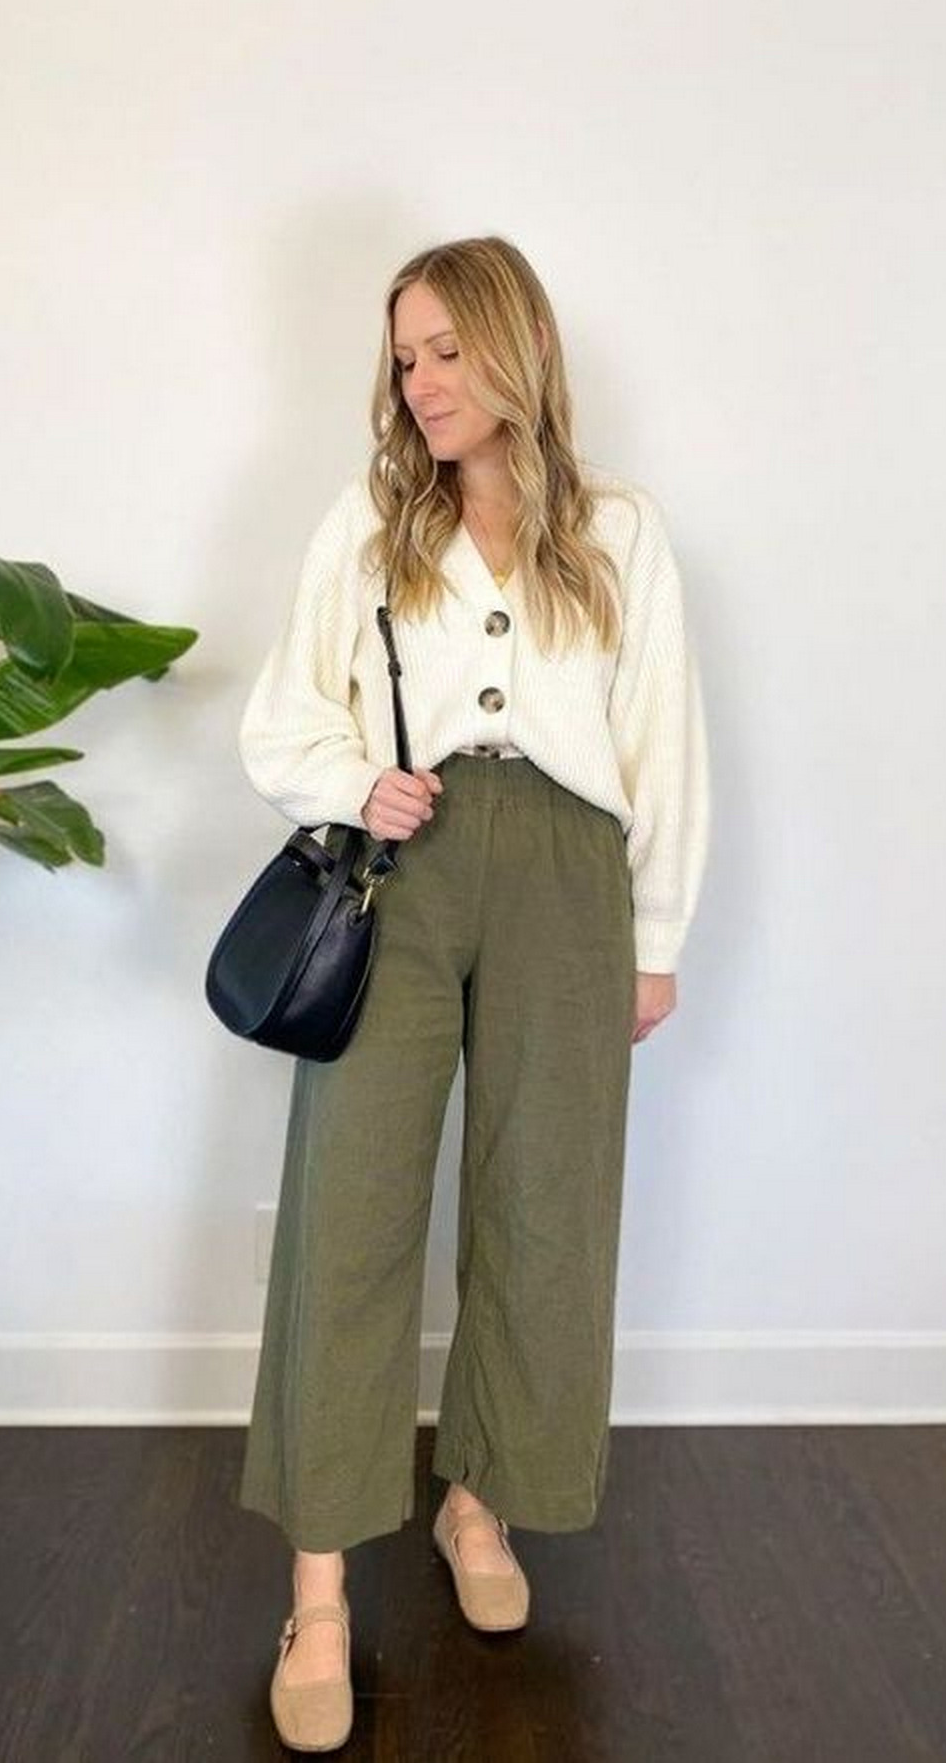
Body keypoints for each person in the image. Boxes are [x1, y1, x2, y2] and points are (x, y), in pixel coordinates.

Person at [235, 234, 710, 1752]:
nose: (421, 381)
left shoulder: (621, 532)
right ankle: (318, 1591)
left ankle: (479, 1506)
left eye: (446, 348)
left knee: (542, 1208)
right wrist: (352, 781)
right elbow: (279, 719)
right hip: (410, 871)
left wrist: (656, 936)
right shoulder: (368, 528)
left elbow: (667, 744)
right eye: (405, 356)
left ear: (515, 349)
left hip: (572, 880)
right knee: (351, 1214)